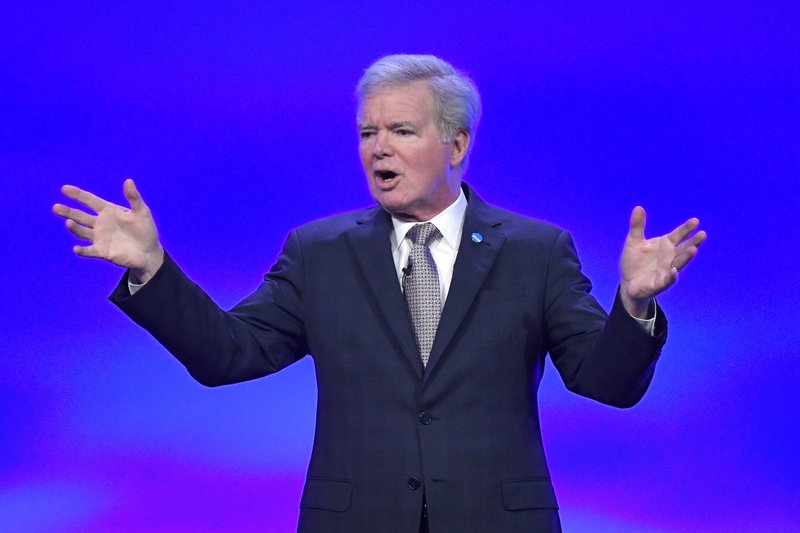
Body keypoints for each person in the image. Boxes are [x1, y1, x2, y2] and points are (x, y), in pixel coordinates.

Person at [53, 54, 706, 533]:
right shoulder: (320, 252)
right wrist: (152, 270)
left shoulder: (535, 251)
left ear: (456, 143)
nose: (378, 150)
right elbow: (229, 353)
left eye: (401, 131)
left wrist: (635, 305)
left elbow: (607, 382)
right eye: (368, 133)